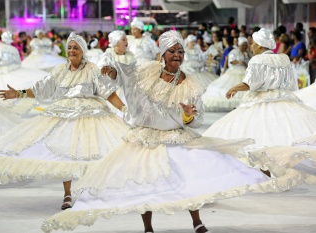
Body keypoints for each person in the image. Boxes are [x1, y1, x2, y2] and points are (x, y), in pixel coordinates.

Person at [41, 30, 296, 233]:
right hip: (146, 136)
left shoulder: (191, 84)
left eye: (180, 51)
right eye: (172, 51)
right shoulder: (148, 72)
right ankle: (148, 227)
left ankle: (196, 221)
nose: (178, 55)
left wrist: (188, 113)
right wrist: (112, 70)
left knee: (188, 180)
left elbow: (197, 119)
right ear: (162, 54)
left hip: (176, 136)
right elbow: (126, 74)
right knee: (146, 182)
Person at [0, 33, 128, 210]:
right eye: (70, 47)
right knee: (65, 154)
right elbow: (40, 89)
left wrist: (126, 111)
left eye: (76, 47)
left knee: (92, 153)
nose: (72, 50)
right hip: (63, 116)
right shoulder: (60, 70)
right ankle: (67, 193)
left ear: (83, 51)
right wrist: (18, 93)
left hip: (91, 116)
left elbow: (109, 95)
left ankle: (90, 191)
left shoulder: (92, 70)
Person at [203, 28, 316, 154]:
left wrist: (234, 88)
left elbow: (250, 83)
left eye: (253, 43)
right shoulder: (284, 58)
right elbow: (291, 82)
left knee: (257, 127)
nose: (251, 46)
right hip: (282, 97)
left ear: (260, 45)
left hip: (261, 99)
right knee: (283, 126)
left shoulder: (257, 60)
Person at [202, 37, 250, 111]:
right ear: (239, 44)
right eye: (243, 45)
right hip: (235, 71)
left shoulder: (247, 53)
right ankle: (234, 103)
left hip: (245, 71)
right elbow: (231, 61)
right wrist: (240, 62)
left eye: (246, 45)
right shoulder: (234, 51)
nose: (244, 47)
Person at [97, 30, 135, 116]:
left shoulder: (130, 56)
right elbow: (100, 72)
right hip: (114, 93)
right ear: (116, 42)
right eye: (123, 40)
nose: (126, 42)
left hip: (130, 90)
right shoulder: (108, 55)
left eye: (126, 39)